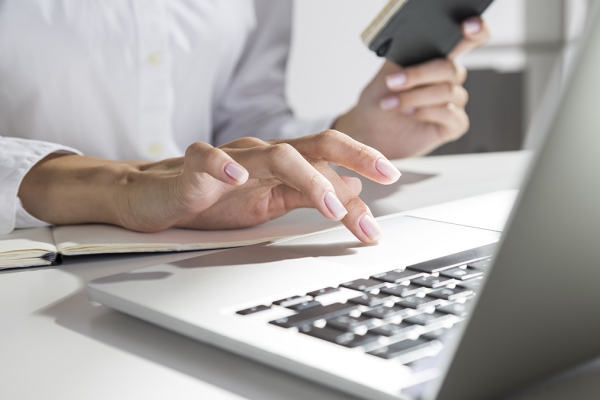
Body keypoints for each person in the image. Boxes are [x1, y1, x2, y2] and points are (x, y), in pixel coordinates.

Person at [0, 1, 490, 243]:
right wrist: (122, 186)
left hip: (201, 248)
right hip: (29, 255)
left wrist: (359, 132)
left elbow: (244, 122)